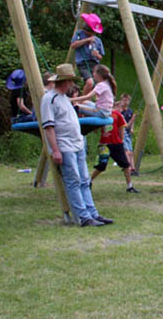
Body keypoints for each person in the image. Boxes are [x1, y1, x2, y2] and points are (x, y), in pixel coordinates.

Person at [40, 63, 112, 227]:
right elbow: (49, 127)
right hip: (64, 146)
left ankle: (92, 213)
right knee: (73, 180)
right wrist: (55, 150)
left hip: (77, 144)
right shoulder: (49, 99)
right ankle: (83, 217)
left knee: (84, 180)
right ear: (64, 81)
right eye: (71, 81)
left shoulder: (65, 98)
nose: (72, 85)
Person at [91, 100, 139, 193]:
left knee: (125, 165)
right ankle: (89, 181)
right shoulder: (103, 115)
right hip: (104, 144)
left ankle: (130, 186)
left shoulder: (117, 115)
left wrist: (120, 142)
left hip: (114, 143)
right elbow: (95, 129)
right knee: (101, 165)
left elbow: (121, 129)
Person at [70, 13, 104, 96]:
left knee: (101, 84)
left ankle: (93, 100)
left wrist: (97, 55)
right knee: (90, 82)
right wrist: (86, 40)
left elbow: (101, 57)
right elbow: (73, 45)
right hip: (83, 63)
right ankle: (82, 100)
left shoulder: (98, 41)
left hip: (95, 63)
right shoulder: (79, 34)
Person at [119, 94, 137, 175]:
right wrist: (132, 120)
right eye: (124, 100)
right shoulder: (120, 112)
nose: (125, 102)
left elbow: (131, 123)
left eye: (127, 100)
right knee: (126, 151)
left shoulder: (129, 111)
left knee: (131, 151)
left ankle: (133, 168)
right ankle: (128, 167)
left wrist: (132, 128)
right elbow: (125, 125)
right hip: (123, 132)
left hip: (128, 132)